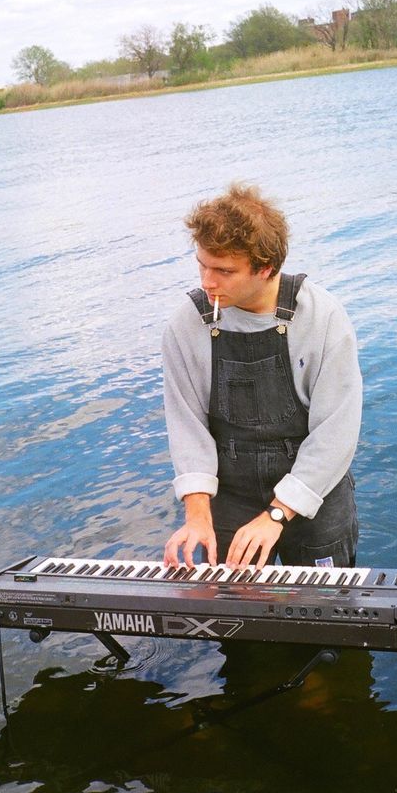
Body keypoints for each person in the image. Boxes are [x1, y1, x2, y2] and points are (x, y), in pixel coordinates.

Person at [162, 183, 362, 571]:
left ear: (266, 268)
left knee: (325, 621)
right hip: (230, 496)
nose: (207, 281)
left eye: (224, 271)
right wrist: (197, 514)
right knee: (239, 623)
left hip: (314, 494)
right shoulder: (186, 325)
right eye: (202, 264)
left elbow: (336, 433)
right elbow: (187, 426)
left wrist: (276, 514)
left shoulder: (322, 318)